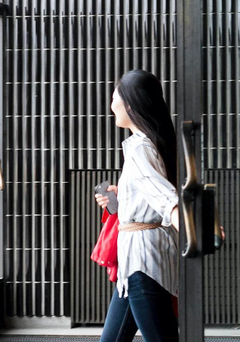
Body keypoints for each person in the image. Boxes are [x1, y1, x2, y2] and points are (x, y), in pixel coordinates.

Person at [95, 69, 179, 342]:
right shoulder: (145, 144)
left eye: (114, 98)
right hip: (137, 260)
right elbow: (154, 195)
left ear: (130, 104)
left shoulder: (140, 148)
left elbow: (167, 199)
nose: (111, 105)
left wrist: (194, 231)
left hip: (142, 261)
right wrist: (119, 197)